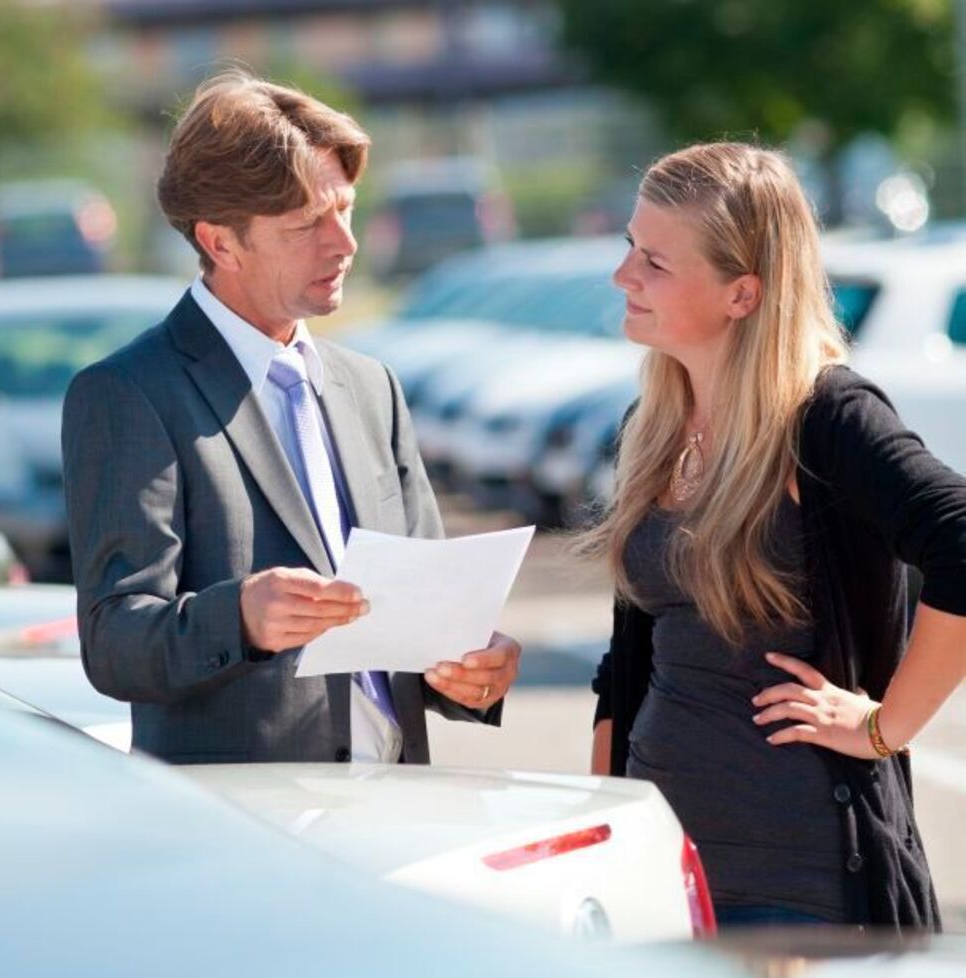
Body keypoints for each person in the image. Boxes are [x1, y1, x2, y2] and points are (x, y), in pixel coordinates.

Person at [62, 71, 520, 765]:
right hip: (247, 837)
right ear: (221, 243)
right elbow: (114, 645)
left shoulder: (373, 388)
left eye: (347, 209)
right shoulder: (129, 393)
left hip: (400, 810)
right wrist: (239, 617)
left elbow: (428, 622)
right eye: (309, 223)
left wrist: (471, 673)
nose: (345, 243)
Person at [584, 142, 966, 929]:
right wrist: (602, 822)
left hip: (794, 894)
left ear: (742, 294)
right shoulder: (651, 427)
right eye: (630, 246)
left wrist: (882, 726)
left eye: (655, 261)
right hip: (661, 878)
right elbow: (630, 658)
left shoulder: (825, 419)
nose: (625, 276)